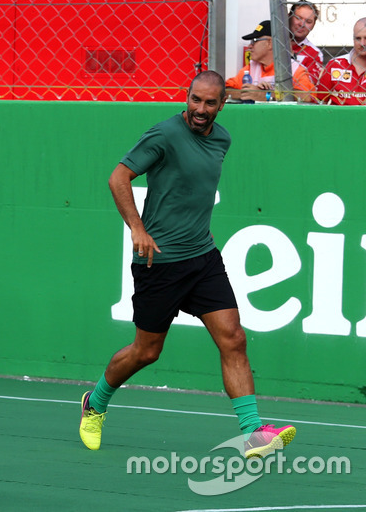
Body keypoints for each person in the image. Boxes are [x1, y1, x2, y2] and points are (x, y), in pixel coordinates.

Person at [79, 71, 296, 459]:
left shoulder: (222, 140)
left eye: (210, 102)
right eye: (195, 100)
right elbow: (118, 177)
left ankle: (254, 434)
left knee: (233, 338)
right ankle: (94, 402)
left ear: (221, 104)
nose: (200, 109)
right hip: (158, 263)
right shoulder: (163, 134)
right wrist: (137, 229)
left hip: (203, 259)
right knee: (146, 352)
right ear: (187, 97)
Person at [225, 20, 315, 102]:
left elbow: (306, 97)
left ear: (270, 43)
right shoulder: (252, 67)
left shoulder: (294, 69)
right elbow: (225, 90)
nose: (250, 46)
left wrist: (266, 95)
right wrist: (249, 93)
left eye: (254, 41)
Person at [315, 17, 366, 105]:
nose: (362, 43)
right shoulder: (335, 65)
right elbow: (320, 102)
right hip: (339, 118)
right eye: (358, 38)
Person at [289, 0, 324, 84]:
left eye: (308, 22)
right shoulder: (272, 41)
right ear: (288, 16)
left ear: (313, 25)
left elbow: (306, 86)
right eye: (298, 18)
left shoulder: (315, 54)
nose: (302, 24)